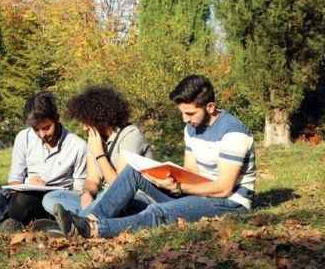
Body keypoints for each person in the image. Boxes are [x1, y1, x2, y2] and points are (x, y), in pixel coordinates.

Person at [51, 75, 257, 238]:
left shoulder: (233, 133)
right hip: (198, 194)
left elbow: (224, 188)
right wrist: (168, 179)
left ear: (210, 107)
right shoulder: (192, 128)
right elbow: (192, 173)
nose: (185, 119)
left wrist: (181, 188)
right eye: (182, 113)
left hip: (229, 203)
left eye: (190, 114)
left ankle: (94, 229)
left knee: (157, 212)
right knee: (133, 173)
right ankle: (83, 222)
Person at [0, 92, 87, 229]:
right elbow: (15, 181)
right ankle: (1, 218)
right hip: (19, 194)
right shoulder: (23, 137)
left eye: (46, 128)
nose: (42, 135)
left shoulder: (78, 146)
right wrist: (29, 182)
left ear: (57, 118)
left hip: (48, 202)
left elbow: (79, 192)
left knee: (22, 202)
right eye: (36, 130)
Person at [41, 86, 153, 216]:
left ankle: (85, 221)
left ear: (100, 119)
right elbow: (92, 180)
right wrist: (87, 193)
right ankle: (90, 216)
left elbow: (120, 187)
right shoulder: (95, 139)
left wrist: (100, 154)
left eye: (86, 122)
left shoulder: (131, 135)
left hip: (133, 199)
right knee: (52, 198)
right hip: (104, 199)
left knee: (104, 197)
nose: (84, 128)